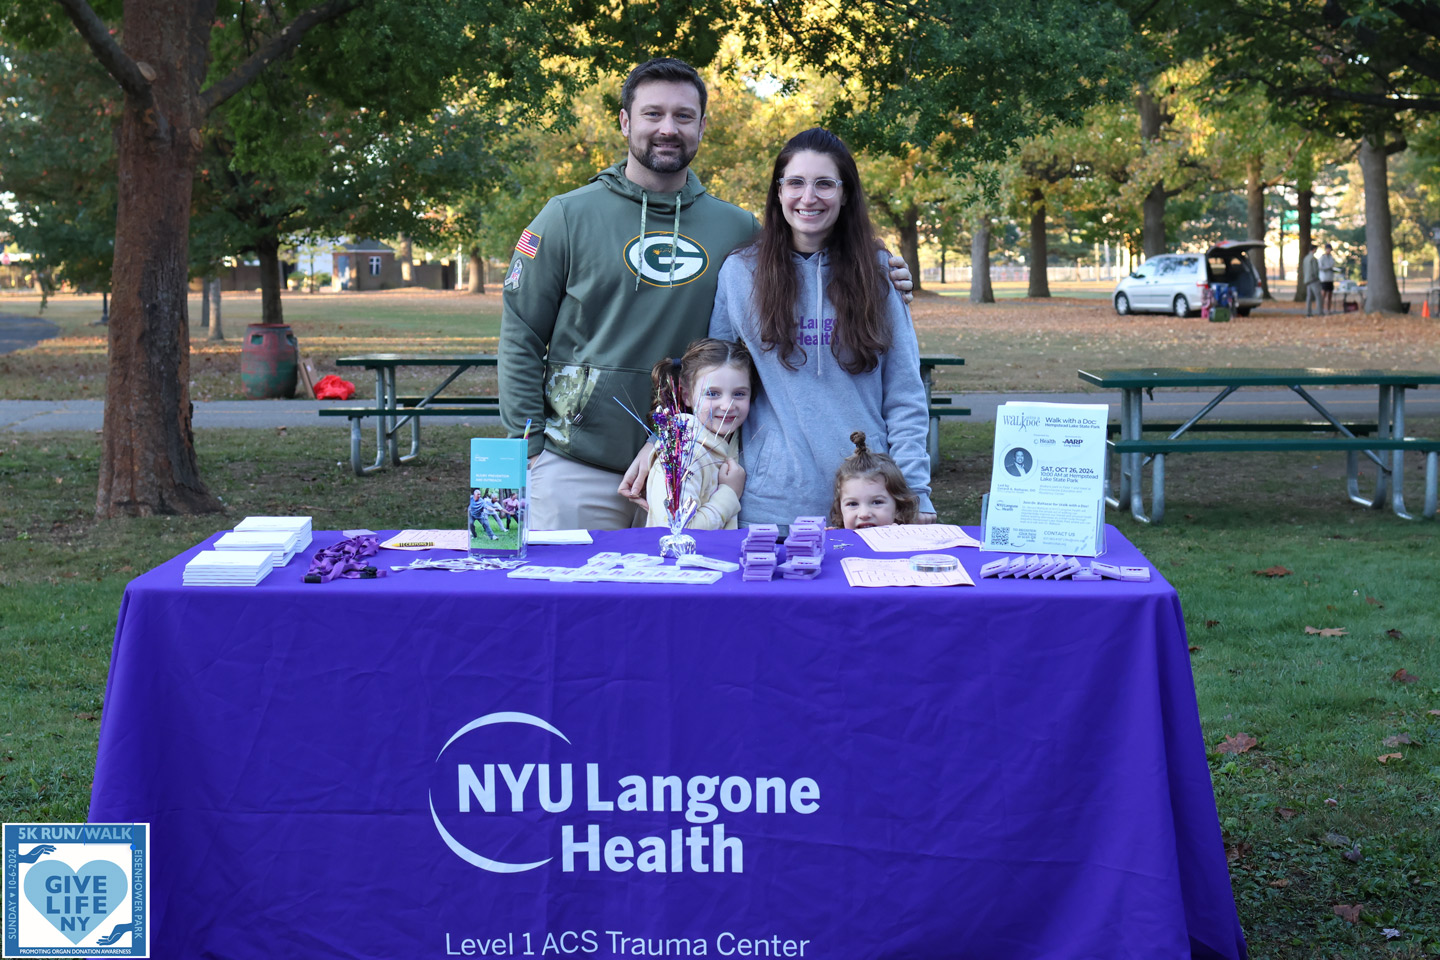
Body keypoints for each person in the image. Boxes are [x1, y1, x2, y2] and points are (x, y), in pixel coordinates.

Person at [501, 58, 912, 532]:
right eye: (653, 114)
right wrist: (524, 449)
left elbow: (805, 254)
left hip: (694, 465)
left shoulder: (735, 229)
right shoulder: (566, 217)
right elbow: (521, 335)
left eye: (683, 116)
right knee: (572, 603)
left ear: (701, 125)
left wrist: (879, 268)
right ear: (624, 121)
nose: (668, 128)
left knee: (681, 604)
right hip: (579, 464)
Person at [705, 127, 936, 526]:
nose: (808, 197)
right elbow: (716, 388)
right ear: (778, 192)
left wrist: (915, 494)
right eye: (795, 182)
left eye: (824, 184)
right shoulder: (740, 273)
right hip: (771, 502)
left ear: (845, 194)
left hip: (869, 501)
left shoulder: (879, 273)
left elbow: (904, 394)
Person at [643, 338, 753, 530]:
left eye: (739, 394)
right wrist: (729, 492)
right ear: (687, 395)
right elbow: (678, 531)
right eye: (712, 393)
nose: (727, 406)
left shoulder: (737, 440)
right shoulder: (684, 452)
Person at [827, 431, 920, 530]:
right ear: (841, 511)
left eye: (877, 502)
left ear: (898, 508)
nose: (864, 514)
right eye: (852, 504)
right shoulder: (837, 541)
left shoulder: (907, 541)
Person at [1301, 246, 1321, 316]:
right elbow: (1315, 270)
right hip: (1313, 280)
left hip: (1307, 280)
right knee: (1318, 296)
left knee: (1309, 297)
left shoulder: (1305, 258)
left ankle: (1308, 313)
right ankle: (1319, 312)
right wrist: (1317, 278)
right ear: (1314, 249)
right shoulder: (1313, 259)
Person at [1318, 243, 1336, 314]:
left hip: (1330, 278)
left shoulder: (1331, 258)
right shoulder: (1322, 258)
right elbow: (1320, 267)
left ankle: (1329, 309)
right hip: (1324, 279)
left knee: (1330, 295)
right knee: (1323, 294)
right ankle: (1321, 309)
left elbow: (1332, 265)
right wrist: (1327, 268)